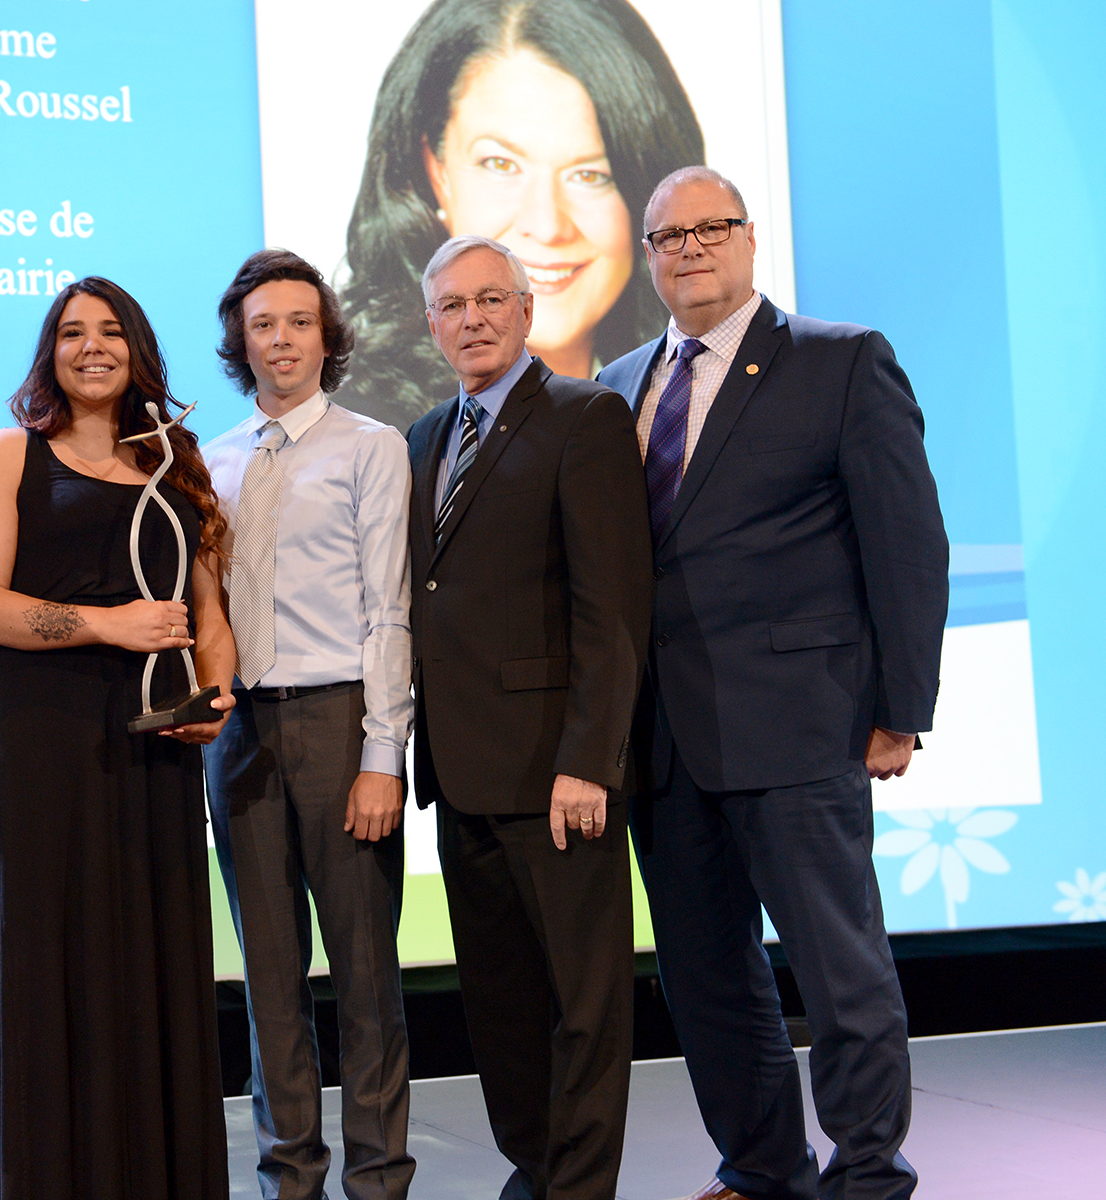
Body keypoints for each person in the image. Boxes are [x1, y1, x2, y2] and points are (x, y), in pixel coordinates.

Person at [597, 167, 948, 1200]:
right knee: (707, 981)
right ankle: (760, 1168)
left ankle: (871, 1173)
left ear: (750, 241)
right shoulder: (617, 385)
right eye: (669, 235)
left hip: (803, 726)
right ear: (648, 256)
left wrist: (902, 708)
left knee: (840, 973)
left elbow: (907, 544)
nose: (690, 248)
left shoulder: (839, 361)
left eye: (712, 228)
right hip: (662, 744)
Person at [0, 277, 237, 1200]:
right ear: (50, 351)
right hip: (49, 748)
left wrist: (217, 690)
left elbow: (207, 608)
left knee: (153, 969)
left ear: (138, 349)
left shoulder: (176, 460)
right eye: (72, 332)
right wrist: (105, 624)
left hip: (158, 753)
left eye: (111, 331)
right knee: (56, 965)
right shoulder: (9, 456)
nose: (92, 347)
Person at [405, 235, 652, 1200]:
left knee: (584, 1002)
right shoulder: (424, 436)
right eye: (452, 306)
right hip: (462, 773)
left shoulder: (584, 417)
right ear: (430, 324)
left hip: (558, 772)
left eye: (488, 301)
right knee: (500, 1001)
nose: (471, 319)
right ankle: (536, 1169)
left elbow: (613, 606)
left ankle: (580, 1186)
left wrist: (590, 758)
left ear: (524, 310)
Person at [203, 250, 416, 1200]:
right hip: (238, 735)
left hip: (340, 726)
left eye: (298, 321)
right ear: (239, 342)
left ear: (326, 336)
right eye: (261, 325)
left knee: (366, 979)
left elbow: (390, 611)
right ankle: (289, 1178)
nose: (280, 339)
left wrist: (384, 756)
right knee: (270, 982)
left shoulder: (371, 446)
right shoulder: (211, 460)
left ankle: (378, 1180)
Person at [340, 0, 703, 430]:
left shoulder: (688, 394)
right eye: (501, 165)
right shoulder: (364, 429)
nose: (547, 225)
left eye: (591, 175)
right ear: (435, 172)